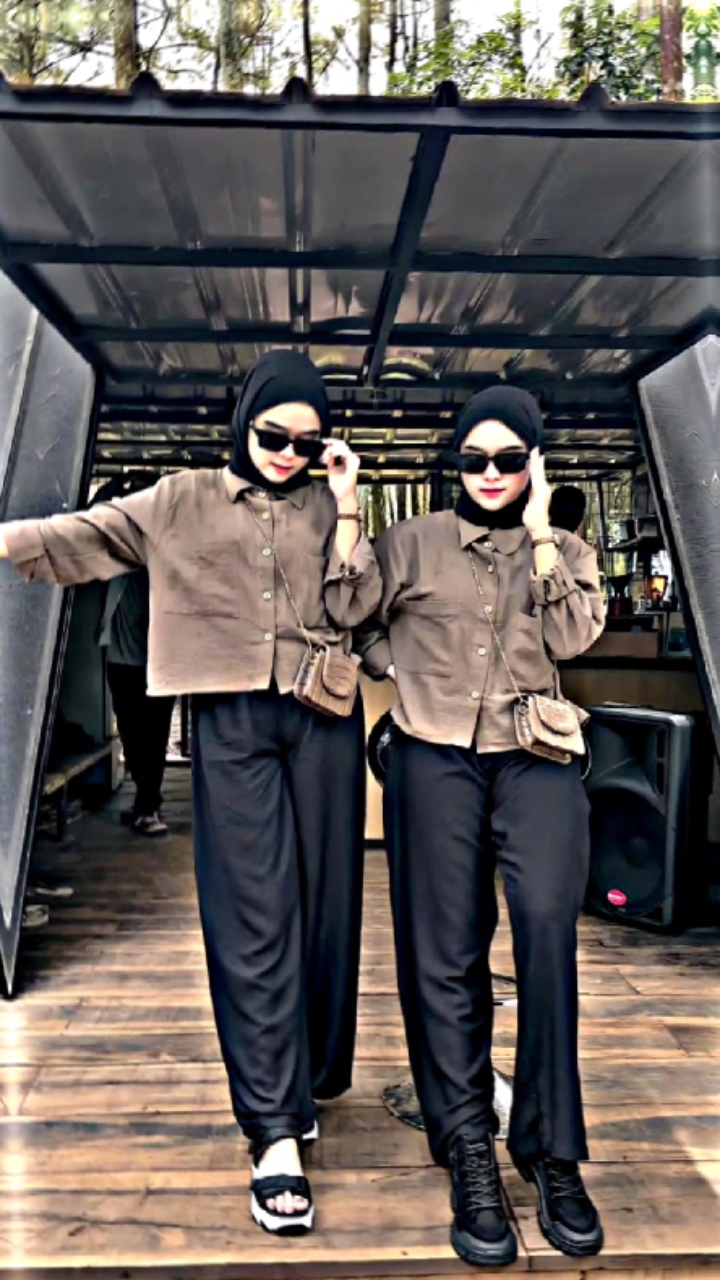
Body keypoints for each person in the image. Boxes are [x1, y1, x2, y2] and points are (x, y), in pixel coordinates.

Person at [0, 351, 381, 1238]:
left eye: (308, 441)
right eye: (273, 434)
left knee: (327, 907)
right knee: (252, 915)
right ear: (242, 422)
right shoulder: (181, 499)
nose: (288, 453)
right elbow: (82, 536)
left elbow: (358, 607)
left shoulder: (327, 503)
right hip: (232, 723)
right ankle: (273, 1130)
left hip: (325, 718)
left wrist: (351, 506)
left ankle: (308, 1078)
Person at [356, 386, 605, 1267]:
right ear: (454, 462)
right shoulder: (410, 542)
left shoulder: (568, 548)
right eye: (474, 459)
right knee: (444, 948)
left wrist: (540, 535)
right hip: (434, 756)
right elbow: (348, 614)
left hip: (535, 754)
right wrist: (398, 669)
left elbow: (572, 639)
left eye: (508, 459)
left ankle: (549, 1146)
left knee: (545, 926)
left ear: (533, 463)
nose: (489, 474)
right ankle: (467, 1142)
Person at [99, 568, 175, 836]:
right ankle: (145, 802)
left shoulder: (164, 562)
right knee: (131, 735)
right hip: (121, 662)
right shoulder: (117, 562)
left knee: (155, 736)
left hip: (160, 662)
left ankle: (147, 806)